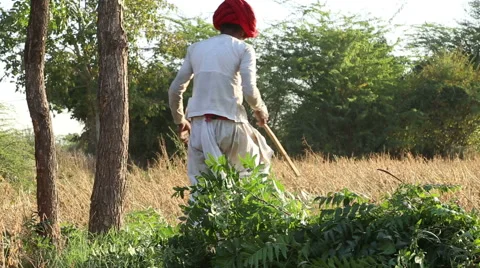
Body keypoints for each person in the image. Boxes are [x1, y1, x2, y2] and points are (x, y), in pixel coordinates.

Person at [168, 0, 273, 185]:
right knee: (250, 179)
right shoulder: (243, 49)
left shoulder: (195, 49)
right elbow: (249, 90)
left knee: (202, 190)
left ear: (221, 24)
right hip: (230, 125)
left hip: (199, 128)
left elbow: (175, 89)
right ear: (243, 29)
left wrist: (180, 120)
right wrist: (260, 109)